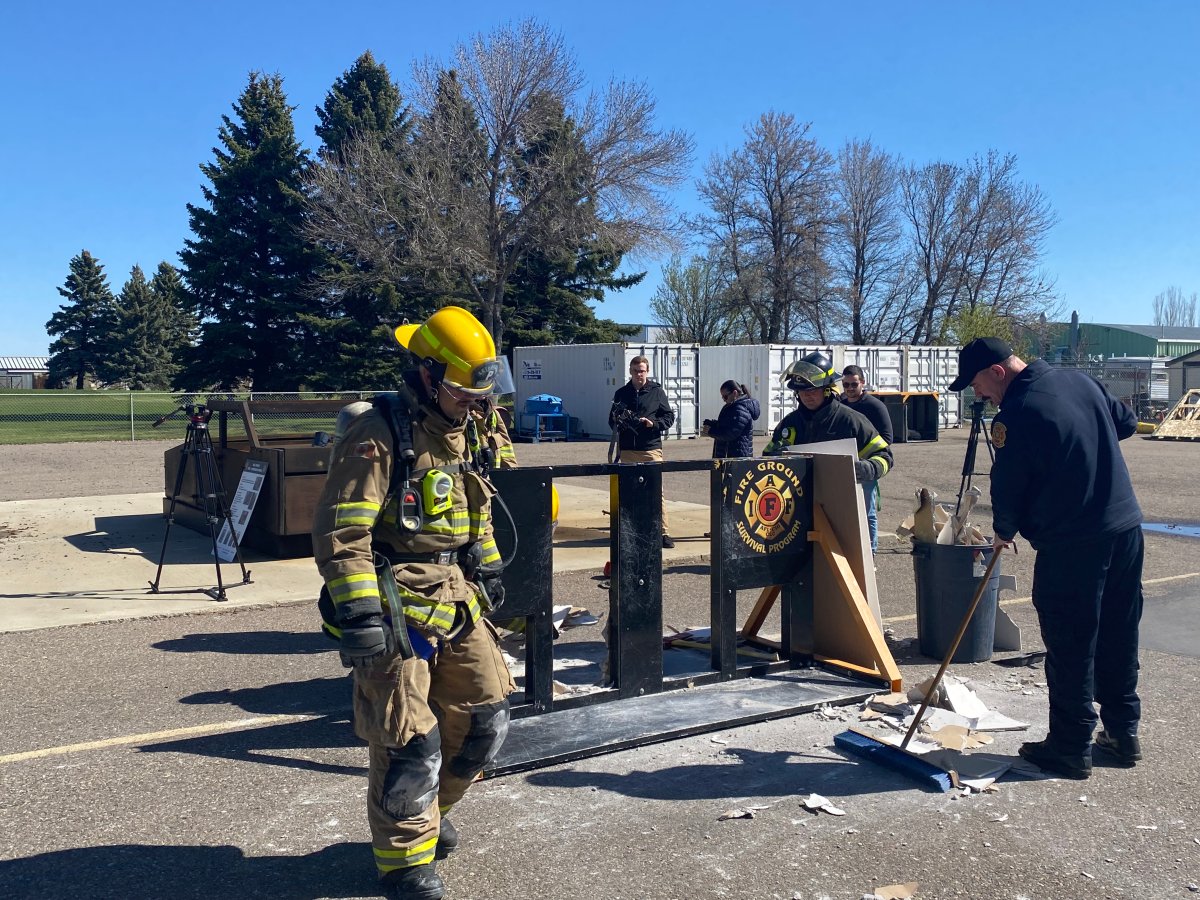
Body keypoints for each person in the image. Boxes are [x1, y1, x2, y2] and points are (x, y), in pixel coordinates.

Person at [312, 305, 516, 900]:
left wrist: (487, 560)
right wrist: (361, 614)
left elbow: (473, 505)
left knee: (486, 719)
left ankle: (427, 816)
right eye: (461, 390)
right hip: (395, 597)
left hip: (457, 595)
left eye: (481, 391)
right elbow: (342, 534)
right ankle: (403, 864)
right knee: (408, 739)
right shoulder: (378, 434)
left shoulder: (466, 427)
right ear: (425, 374)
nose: (475, 402)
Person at [950, 337, 1145, 780]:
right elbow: (1127, 423)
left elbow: (1009, 481)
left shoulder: (1017, 412)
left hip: (1074, 540)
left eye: (977, 383)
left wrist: (1002, 531)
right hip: (1125, 529)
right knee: (1118, 632)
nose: (977, 393)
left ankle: (1070, 746)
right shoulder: (1080, 380)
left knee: (1071, 640)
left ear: (998, 371)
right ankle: (1122, 732)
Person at [763, 352, 893, 491]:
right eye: (801, 390)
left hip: (843, 500)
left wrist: (870, 468)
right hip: (800, 501)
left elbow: (884, 456)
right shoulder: (790, 423)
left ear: (827, 390)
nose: (807, 396)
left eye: (812, 390)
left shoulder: (851, 420)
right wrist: (776, 458)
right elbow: (766, 457)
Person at [609, 355, 676, 548]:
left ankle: (663, 532)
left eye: (643, 371)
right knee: (629, 492)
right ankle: (629, 530)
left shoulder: (656, 392)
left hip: (650, 449)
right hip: (628, 449)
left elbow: (669, 418)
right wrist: (621, 422)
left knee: (656, 492)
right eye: (636, 371)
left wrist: (652, 424)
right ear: (630, 372)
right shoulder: (621, 393)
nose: (640, 374)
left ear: (647, 372)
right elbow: (611, 421)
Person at [840, 365, 894, 554]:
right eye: (845, 384)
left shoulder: (874, 406)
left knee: (867, 511)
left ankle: (870, 552)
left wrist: (865, 457)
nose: (849, 388)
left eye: (854, 384)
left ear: (862, 383)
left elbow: (887, 439)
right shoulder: (839, 404)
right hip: (842, 463)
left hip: (866, 466)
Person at [702, 380, 760, 458]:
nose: (723, 399)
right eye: (722, 397)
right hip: (731, 455)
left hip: (738, 457)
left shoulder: (740, 410)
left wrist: (711, 431)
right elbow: (727, 424)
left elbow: (731, 433)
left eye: (725, 396)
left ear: (735, 393)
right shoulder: (732, 406)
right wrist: (712, 424)